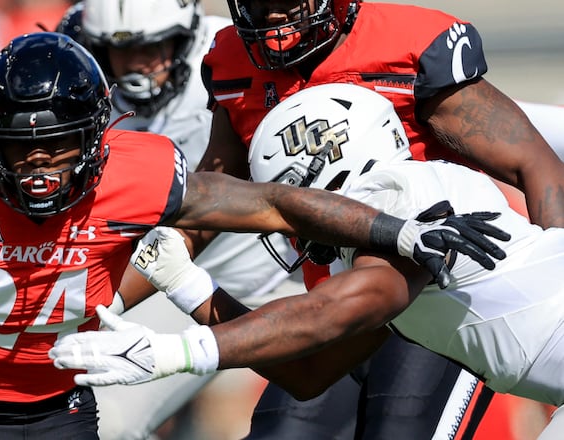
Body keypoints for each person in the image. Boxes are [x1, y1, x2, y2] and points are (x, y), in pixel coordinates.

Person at [0, 32, 505, 439]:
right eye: (17, 148)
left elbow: (274, 204)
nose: (37, 166)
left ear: (95, 138)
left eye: (58, 146)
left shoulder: (141, 176)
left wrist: (398, 229)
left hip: (59, 402)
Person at [49, 83, 564, 439]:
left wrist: (169, 353)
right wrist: (190, 287)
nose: (295, 225)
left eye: (300, 203)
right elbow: (309, 372)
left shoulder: (407, 192)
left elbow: (341, 308)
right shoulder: (377, 246)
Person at [146, 1, 564, 438]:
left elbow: (531, 164)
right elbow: (305, 372)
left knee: (399, 427)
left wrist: (172, 351)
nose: (271, 15)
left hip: (434, 290)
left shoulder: (416, 193)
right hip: (348, 285)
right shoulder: (232, 60)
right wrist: (173, 278)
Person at [57, 1, 297, 438]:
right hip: (165, 278)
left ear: (186, 35)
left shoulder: (235, 53)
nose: (137, 63)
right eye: (119, 49)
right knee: (103, 418)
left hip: (278, 272)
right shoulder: (85, 85)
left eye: (155, 44)